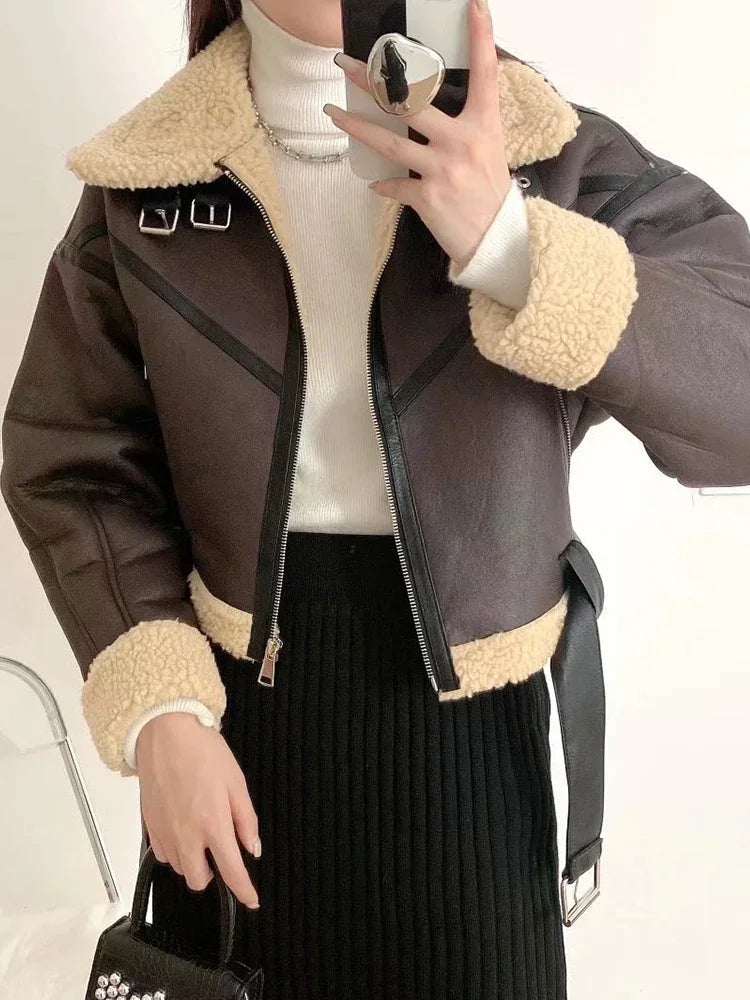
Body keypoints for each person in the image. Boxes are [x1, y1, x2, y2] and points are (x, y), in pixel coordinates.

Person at [3, 0, 750, 997]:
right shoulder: (148, 177)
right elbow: (70, 456)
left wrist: (510, 241)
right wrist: (160, 715)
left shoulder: (546, 153)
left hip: (474, 756)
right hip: (225, 745)